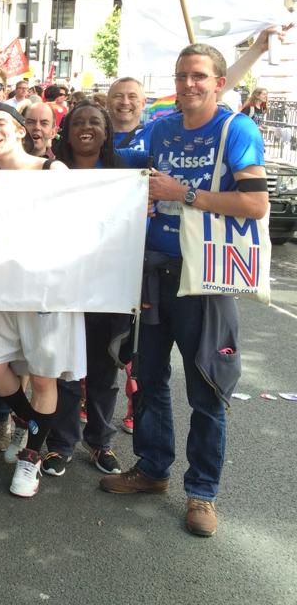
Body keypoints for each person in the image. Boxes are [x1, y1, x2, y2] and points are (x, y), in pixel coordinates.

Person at [100, 44, 269, 538]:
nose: (188, 84)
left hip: (206, 279)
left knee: (207, 390)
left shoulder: (235, 129)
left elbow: (255, 204)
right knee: (148, 379)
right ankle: (153, 469)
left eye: (198, 76)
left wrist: (184, 194)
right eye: (181, 76)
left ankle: (202, 493)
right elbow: (118, 166)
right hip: (154, 274)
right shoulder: (161, 128)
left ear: (218, 82)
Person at [0, 101, 84, 498]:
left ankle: (31, 458)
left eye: (1, 123)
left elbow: (81, 222)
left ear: (21, 130)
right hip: (3, 291)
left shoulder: (50, 170)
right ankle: (33, 424)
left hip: (46, 291)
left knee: (43, 377)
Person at [43, 101, 128, 478]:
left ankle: (100, 442)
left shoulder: (126, 172)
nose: (87, 128)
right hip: (61, 283)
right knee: (64, 369)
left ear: (107, 131)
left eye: (96, 122)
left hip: (107, 285)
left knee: (102, 370)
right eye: (79, 122)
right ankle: (60, 445)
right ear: (67, 130)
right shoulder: (51, 171)